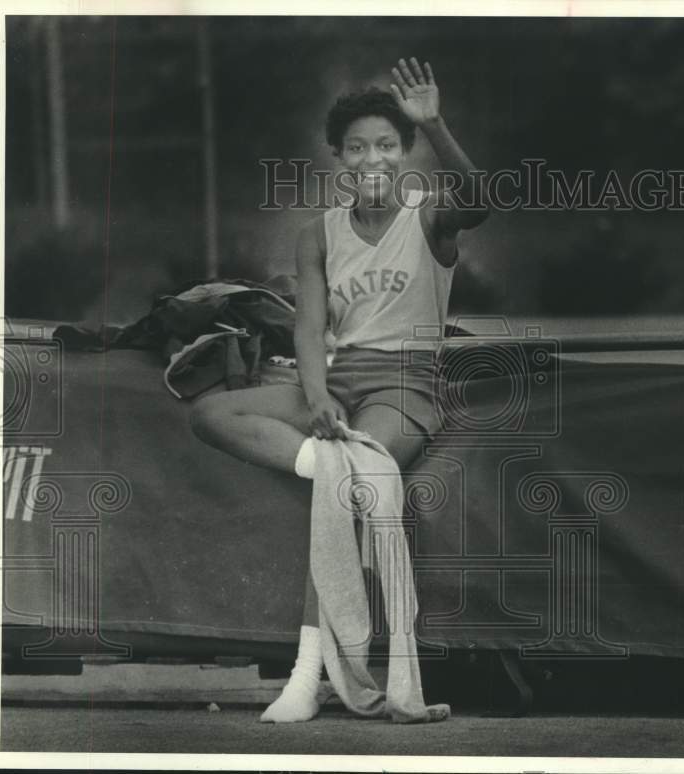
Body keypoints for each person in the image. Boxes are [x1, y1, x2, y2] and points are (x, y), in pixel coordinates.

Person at [189, 57, 488, 722]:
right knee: (212, 413)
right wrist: (317, 395)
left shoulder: (428, 216)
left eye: (386, 145)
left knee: (346, 490)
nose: (371, 159)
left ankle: (305, 673)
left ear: (404, 154)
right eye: (357, 148)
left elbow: (481, 198)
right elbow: (309, 328)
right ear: (339, 159)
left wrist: (434, 123)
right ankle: (328, 461)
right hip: (339, 381)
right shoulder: (316, 234)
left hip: (404, 387)